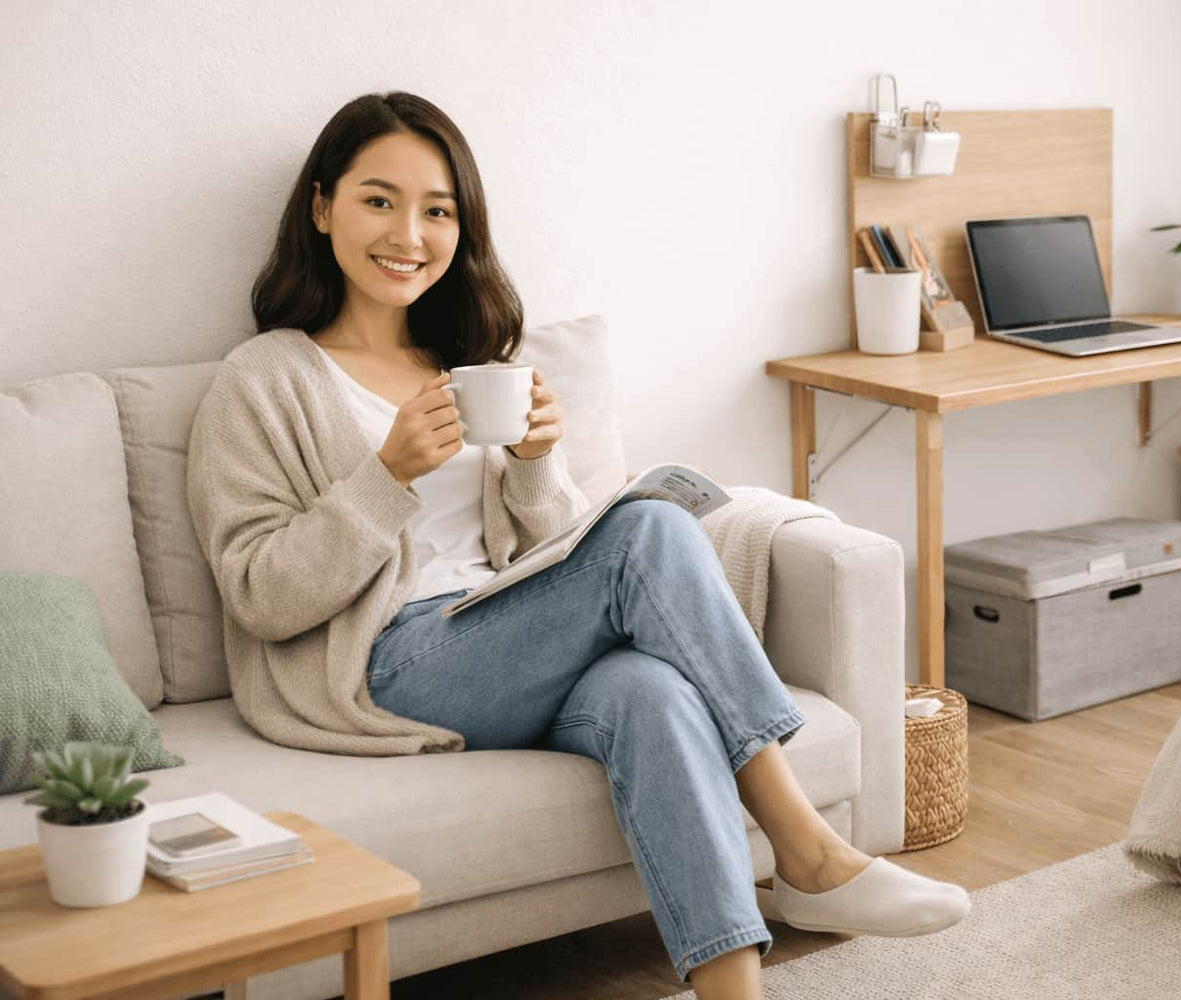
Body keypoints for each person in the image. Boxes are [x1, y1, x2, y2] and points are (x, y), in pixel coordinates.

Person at [185, 91, 969, 999]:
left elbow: (556, 556)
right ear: (322, 208)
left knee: (652, 691)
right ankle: (808, 850)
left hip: (505, 638)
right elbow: (258, 594)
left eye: (438, 210)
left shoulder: (470, 360)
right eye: (378, 200)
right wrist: (385, 476)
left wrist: (534, 463)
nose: (409, 232)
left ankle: (734, 992)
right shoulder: (266, 378)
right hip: (386, 663)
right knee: (648, 530)